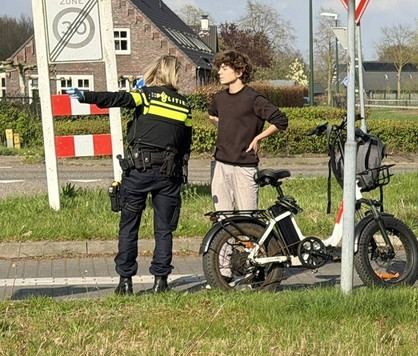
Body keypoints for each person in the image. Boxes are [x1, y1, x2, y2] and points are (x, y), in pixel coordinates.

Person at [66, 55, 193, 295]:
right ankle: (161, 282)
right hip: (169, 174)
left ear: (155, 71)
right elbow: (186, 146)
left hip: (139, 172)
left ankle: (125, 282)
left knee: (129, 226)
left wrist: (86, 96)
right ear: (175, 75)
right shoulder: (184, 105)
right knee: (164, 229)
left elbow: (117, 98)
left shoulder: (144, 96)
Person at [208, 50, 288, 211]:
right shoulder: (219, 98)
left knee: (247, 219)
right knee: (222, 221)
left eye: (224, 68)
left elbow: (281, 121)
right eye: (219, 68)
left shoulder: (253, 98)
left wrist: (258, 138)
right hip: (221, 165)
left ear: (238, 72)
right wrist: (224, 128)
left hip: (244, 167)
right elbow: (211, 115)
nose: (219, 72)